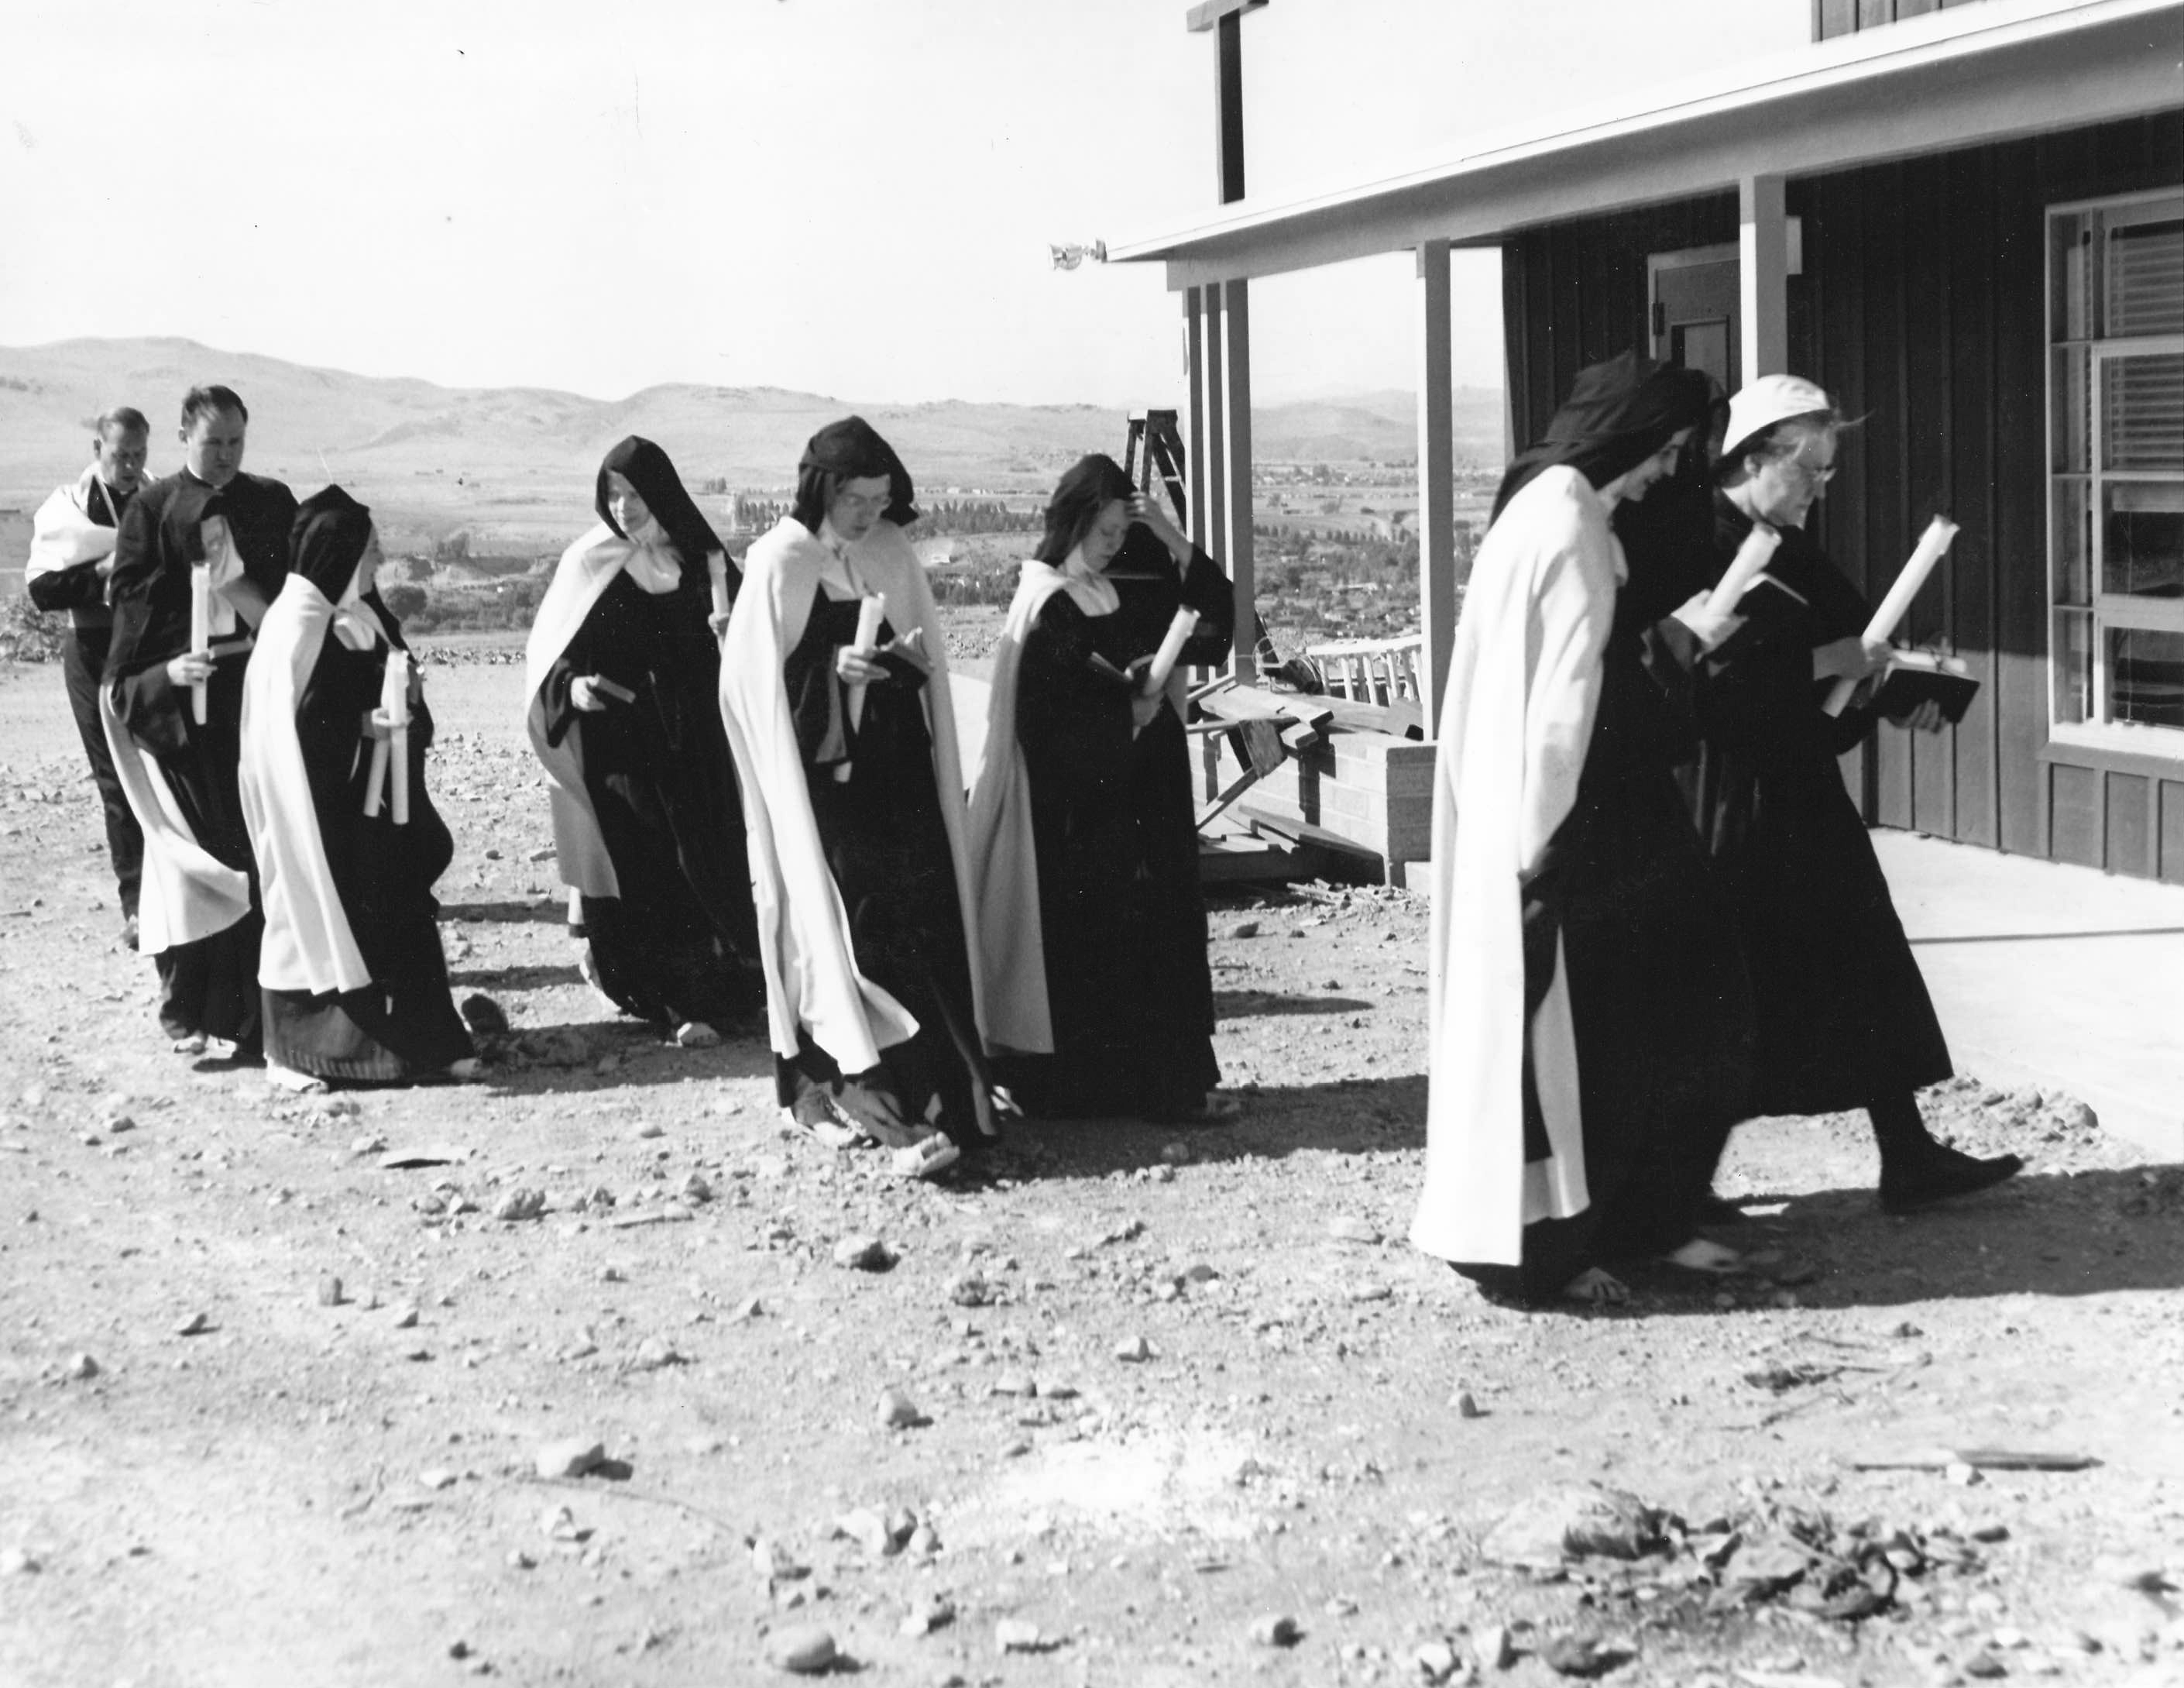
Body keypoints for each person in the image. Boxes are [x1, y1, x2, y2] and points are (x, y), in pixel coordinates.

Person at [1409, 351, 1751, 1306]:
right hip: (1552, 832)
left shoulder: (1540, 504)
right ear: (1635, 437)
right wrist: (1540, 860)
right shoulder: (1577, 532)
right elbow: (1560, 718)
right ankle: (1552, 1246)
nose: (1660, 475)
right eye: (1667, 452)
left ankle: (1566, 1226)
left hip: (1512, 823)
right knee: (1587, 1038)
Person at [1688, 375, 2021, 1214]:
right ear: (1755, 458)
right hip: (1727, 801)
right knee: (1731, 987)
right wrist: (1825, 666)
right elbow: (1701, 686)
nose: (1820, 489)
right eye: (1810, 470)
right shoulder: (1699, 541)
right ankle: (1678, 1187)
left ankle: (1907, 1155)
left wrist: (1899, 694)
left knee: (1861, 961)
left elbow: (1854, 652)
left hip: (1799, 795)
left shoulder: (1791, 545)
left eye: (1828, 473)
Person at [720, 416, 994, 1177]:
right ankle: (879, 1101)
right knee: (859, 935)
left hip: (895, 781)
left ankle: (953, 1101)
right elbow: (750, 691)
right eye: (858, 500)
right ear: (825, 490)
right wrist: (827, 674)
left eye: (880, 499)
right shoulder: (779, 562)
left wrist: (893, 664)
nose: (870, 514)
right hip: (829, 798)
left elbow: (920, 664)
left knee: (922, 920)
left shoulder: (885, 554)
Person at [967, 453, 1236, 1121]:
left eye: (1123, 533)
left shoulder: (1102, 586)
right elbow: (1046, 718)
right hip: (1083, 812)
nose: (1117, 545)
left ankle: (1157, 1086)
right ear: (1076, 521)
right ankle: (1117, 1092)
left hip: (1130, 794)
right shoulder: (1050, 599)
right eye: (1107, 531)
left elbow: (1214, 621)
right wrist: (1128, 713)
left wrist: (1171, 538)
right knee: (1104, 947)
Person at [238, 486, 477, 1090]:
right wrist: (358, 729)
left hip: (371, 809)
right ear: (339, 553)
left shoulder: (362, 618)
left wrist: (407, 703)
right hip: (315, 816)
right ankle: (293, 1052)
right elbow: (294, 733)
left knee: (398, 912)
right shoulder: (294, 626)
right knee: (309, 918)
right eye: (369, 550)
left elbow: (390, 696)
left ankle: (427, 1044)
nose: (377, 562)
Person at [525, 436, 758, 1046]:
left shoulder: (704, 560)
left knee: (706, 862)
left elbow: (744, 646)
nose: (624, 507)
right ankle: (670, 997)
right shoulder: (588, 564)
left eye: (634, 493)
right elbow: (555, 655)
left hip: (695, 743)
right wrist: (570, 690)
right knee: (649, 866)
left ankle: (721, 990)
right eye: (613, 494)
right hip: (622, 745)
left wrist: (730, 639)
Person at [104, 386, 297, 1057]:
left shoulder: (271, 502)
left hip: (254, 698)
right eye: (212, 442)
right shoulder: (151, 512)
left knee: (262, 845)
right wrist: (162, 677)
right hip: (185, 713)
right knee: (202, 855)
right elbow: (132, 616)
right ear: (185, 436)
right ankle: (193, 1001)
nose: (224, 457)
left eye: (235, 443)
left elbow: (293, 597)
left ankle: (260, 1013)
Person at [25, 408, 151, 944]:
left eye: (137, 455)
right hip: (92, 647)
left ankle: (176, 895)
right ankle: (137, 903)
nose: (127, 466)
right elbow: (44, 590)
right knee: (114, 775)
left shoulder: (156, 499)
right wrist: (99, 573)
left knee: (160, 768)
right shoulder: (70, 509)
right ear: (98, 447)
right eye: (119, 454)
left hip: (147, 646)